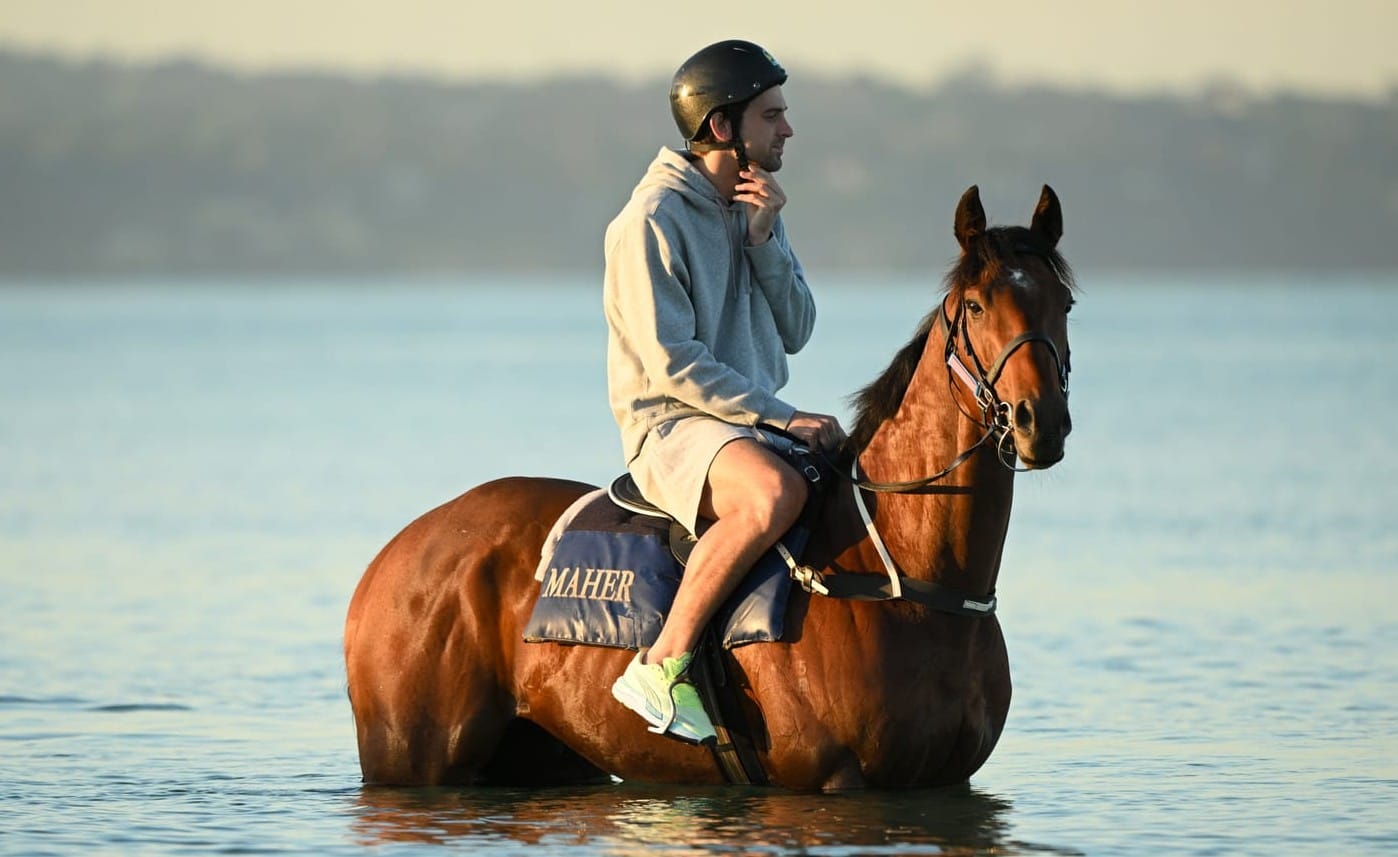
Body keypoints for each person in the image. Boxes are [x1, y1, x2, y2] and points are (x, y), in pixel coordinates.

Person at [602, 39, 846, 744]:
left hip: (748, 425)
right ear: (721, 128)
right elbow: (675, 366)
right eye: (772, 115)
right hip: (673, 427)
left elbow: (798, 329)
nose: (788, 129)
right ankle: (661, 661)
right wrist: (784, 415)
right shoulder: (649, 220)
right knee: (773, 494)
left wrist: (765, 237)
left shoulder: (755, 204)